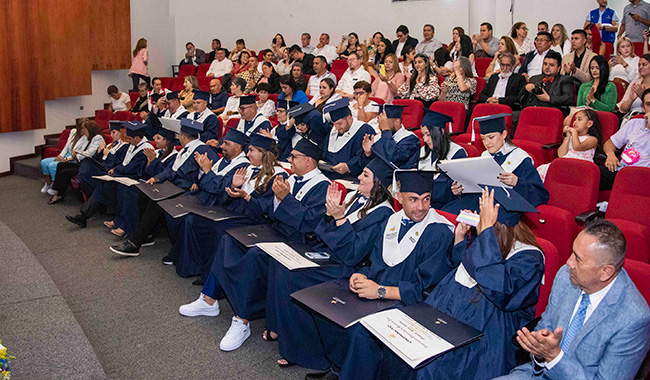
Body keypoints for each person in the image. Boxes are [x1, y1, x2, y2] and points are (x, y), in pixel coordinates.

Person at [343, 186, 545, 380]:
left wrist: (485, 233)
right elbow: (461, 268)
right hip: (444, 312)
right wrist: (459, 237)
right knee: (378, 338)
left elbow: (501, 291)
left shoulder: (529, 258)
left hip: (484, 335)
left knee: (428, 367)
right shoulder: (486, 243)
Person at [304, 169, 455, 380]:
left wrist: (381, 291)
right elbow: (375, 263)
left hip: (408, 302)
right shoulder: (392, 221)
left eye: (426, 199)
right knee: (329, 306)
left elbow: (426, 290)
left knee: (362, 331)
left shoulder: (439, 232)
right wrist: (363, 276)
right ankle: (339, 367)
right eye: (413, 199)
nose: (420, 207)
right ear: (399, 197)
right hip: (378, 292)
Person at [198, 138, 330, 352]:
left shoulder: (322, 186)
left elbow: (310, 223)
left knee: (254, 256)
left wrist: (285, 199)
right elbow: (270, 207)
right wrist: (248, 197)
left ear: (309, 161)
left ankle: (242, 319)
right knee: (229, 238)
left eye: (294, 157)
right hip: (276, 231)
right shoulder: (294, 179)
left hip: (298, 242)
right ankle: (209, 298)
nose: (289, 159)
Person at [270, 154, 395, 369]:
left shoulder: (383, 213)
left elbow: (354, 253)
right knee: (282, 266)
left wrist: (338, 219)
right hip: (331, 256)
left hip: (350, 269)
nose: (358, 178)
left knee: (291, 278)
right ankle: (289, 335)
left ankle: (307, 352)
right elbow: (324, 231)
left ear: (378, 184)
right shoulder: (358, 201)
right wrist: (330, 216)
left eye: (365, 175)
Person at [497, 220, 650, 380]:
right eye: (572, 253)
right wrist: (540, 350)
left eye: (578, 259)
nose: (569, 262)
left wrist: (554, 357)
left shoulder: (633, 319)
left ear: (605, 272)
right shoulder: (566, 276)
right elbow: (545, 326)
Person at [170, 133, 287, 281]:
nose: (248, 154)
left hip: (254, 219)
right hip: (237, 210)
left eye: (251, 150)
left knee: (218, 229)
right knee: (199, 221)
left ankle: (212, 278)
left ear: (263, 153)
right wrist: (233, 187)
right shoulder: (250, 169)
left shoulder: (278, 176)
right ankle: (197, 267)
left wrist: (246, 196)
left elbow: (269, 207)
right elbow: (226, 191)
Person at [106, 120, 222, 256]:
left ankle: (134, 243)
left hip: (188, 190)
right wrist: (156, 178)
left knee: (158, 203)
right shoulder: (184, 150)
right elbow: (172, 170)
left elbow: (212, 171)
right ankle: (147, 235)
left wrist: (197, 181)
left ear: (182, 136)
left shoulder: (204, 150)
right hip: (173, 186)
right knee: (144, 193)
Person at [443, 114, 549, 216]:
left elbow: (540, 195)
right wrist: (460, 189)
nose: (487, 143)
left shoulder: (520, 159)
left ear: (504, 134)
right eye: (483, 138)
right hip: (480, 202)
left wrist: (517, 182)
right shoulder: (484, 156)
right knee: (447, 214)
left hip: (503, 209)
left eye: (491, 137)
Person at [65, 121, 154, 225]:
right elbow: (125, 164)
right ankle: (84, 216)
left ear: (137, 138)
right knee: (103, 184)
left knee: (106, 186)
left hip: (134, 178)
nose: (128, 141)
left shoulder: (146, 149)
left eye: (129, 139)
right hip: (124, 174)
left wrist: (116, 170)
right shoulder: (133, 144)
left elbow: (133, 167)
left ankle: (109, 218)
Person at [108, 127, 178, 237]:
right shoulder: (158, 152)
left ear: (167, 141)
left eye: (159, 138)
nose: (155, 140)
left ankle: (129, 227)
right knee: (124, 188)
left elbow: (164, 175)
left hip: (162, 187)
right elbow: (146, 172)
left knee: (132, 193)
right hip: (149, 182)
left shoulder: (174, 157)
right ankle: (120, 222)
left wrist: (153, 161)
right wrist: (150, 162)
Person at [600, 87, 650, 189]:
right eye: (649, 105)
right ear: (643, 108)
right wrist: (610, 155)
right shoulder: (634, 123)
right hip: (622, 169)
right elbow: (609, 144)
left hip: (645, 177)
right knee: (592, 174)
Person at [418, 109, 468, 208]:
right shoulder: (423, 151)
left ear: (440, 131)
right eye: (423, 134)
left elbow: (452, 188)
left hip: (446, 205)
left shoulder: (457, 153)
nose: (425, 139)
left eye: (428, 134)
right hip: (423, 203)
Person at [47, 120, 105, 204]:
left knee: (64, 172)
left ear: (90, 129)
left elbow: (89, 153)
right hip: (81, 163)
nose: (83, 132)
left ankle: (58, 194)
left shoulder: (98, 138)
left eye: (85, 130)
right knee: (60, 165)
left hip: (89, 166)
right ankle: (58, 192)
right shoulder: (86, 137)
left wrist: (76, 154)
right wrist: (74, 152)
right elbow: (77, 147)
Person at [537, 108, 602, 181]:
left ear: (589, 123)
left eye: (579, 120)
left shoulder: (592, 139)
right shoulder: (572, 138)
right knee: (541, 169)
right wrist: (567, 137)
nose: (575, 122)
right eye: (575, 119)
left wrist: (574, 132)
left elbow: (577, 146)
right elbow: (561, 154)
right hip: (566, 163)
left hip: (581, 166)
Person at [320, 98, 376, 178]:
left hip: (352, 178)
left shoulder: (365, 130)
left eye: (339, 123)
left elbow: (367, 157)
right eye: (334, 124)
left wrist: (349, 167)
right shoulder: (335, 129)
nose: (336, 128)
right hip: (328, 176)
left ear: (349, 118)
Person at [77, 121, 129, 196]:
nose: (111, 136)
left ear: (121, 132)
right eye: (110, 133)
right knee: (87, 161)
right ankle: (83, 182)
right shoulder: (111, 144)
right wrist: (100, 151)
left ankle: (87, 187)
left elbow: (119, 162)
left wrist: (109, 155)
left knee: (87, 168)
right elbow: (99, 159)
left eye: (114, 133)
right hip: (103, 166)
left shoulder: (125, 146)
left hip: (109, 170)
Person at [362, 104, 420, 169]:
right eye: (379, 121)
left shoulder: (411, 139)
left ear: (397, 122)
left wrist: (386, 131)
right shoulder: (378, 138)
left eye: (384, 122)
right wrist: (368, 154)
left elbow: (394, 159)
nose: (380, 125)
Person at [519, 51, 575, 116]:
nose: (547, 67)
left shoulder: (565, 80)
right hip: (532, 111)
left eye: (551, 65)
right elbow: (520, 98)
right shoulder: (535, 79)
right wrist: (526, 88)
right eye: (545, 64)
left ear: (558, 68)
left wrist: (549, 98)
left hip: (551, 113)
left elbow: (568, 99)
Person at [41, 123, 84, 194]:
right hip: (65, 155)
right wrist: (60, 156)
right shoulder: (73, 131)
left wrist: (64, 159)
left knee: (52, 165)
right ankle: (49, 184)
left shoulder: (86, 138)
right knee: (44, 162)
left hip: (73, 158)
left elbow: (79, 154)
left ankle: (57, 187)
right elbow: (66, 146)